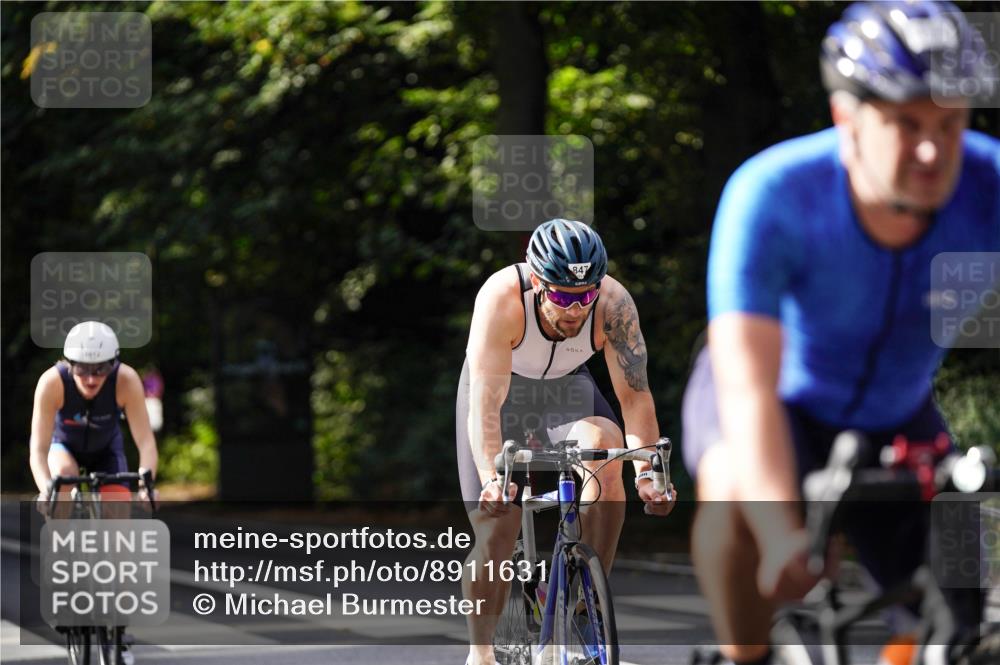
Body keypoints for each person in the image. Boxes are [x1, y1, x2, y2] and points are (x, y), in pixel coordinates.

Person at [681, 2, 999, 664]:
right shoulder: (773, 192)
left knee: (965, 617)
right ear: (846, 117)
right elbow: (746, 387)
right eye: (906, 122)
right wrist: (779, 531)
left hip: (898, 410)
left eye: (950, 122)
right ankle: (749, 656)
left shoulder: (988, 184)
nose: (933, 150)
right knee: (738, 497)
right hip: (775, 402)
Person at [457, 218, 676, 664]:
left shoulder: (613, 304)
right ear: (537, 282)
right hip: (501, 392)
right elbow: (486, 404)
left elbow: (634, 397)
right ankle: (480, 654)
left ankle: (587, 597)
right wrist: (491, 478)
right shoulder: (502, 298)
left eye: (586, 295)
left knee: (605, 451)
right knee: (496, 524)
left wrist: (649, 473)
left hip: (566, 389)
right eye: (561, 296)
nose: (575, 309)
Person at [30, 320, 159, 504]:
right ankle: (58, 531)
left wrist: (146, 487)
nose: (91, 379)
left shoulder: (126, 381)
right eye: (81, 368)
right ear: (69, 364)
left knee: (118, 506)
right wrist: (46, 489)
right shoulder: (51, 383)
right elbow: (39, 449)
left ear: (113, 364)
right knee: (62, 485)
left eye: (101, 369)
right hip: (64, 447)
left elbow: (146, 441)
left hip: (107, 450)